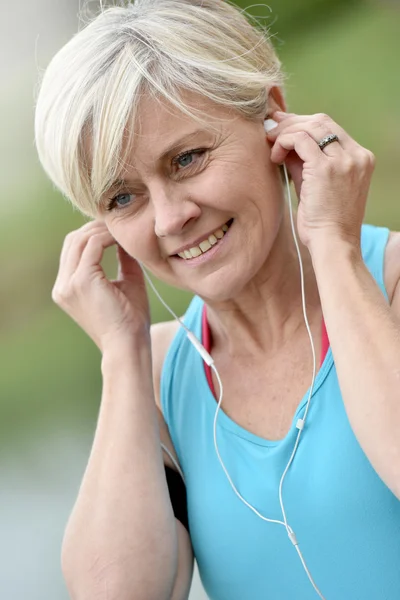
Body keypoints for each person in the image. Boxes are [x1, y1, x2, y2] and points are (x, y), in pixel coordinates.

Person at [34, 0, 400, 598]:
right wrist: (121, 355)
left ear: (275, 124)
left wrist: (333, 245)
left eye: (186, 159)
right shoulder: (157, 376)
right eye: (123, 198)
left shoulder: (391, 281)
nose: (172, 218)